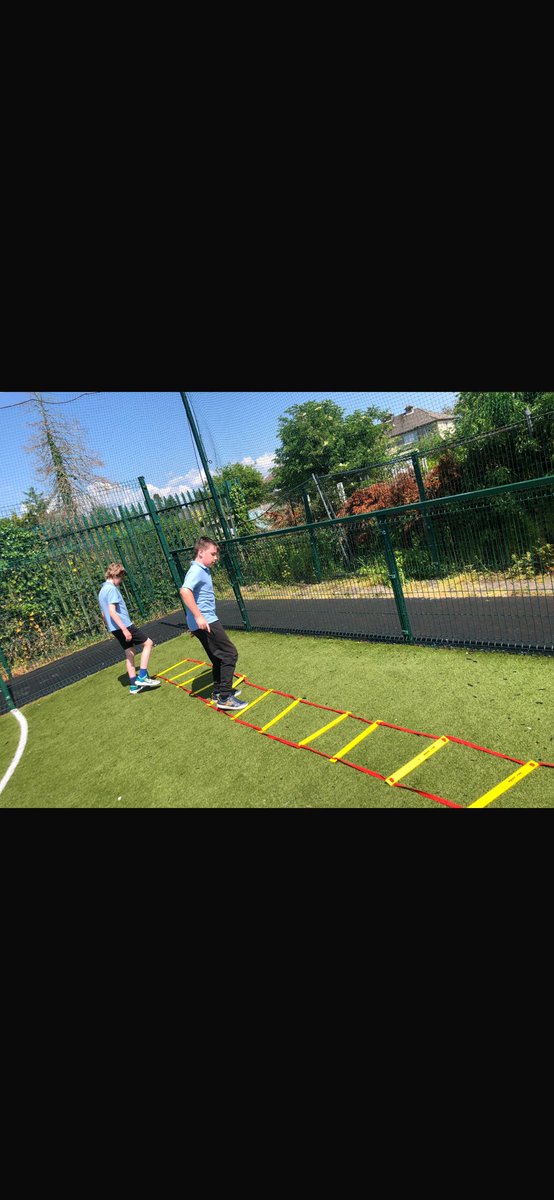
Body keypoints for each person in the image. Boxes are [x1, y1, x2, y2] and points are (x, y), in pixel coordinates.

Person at [179, 538, 248, 712]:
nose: (216, 557)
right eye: (213, 554)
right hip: (206, 620)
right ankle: (225, 698)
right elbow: (184, 591)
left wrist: (194, 622)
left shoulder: (203, 569)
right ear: (201, 553)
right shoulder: (196, 570)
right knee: (229, 654)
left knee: (218, 656)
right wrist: (199, 617)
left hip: (203, 621)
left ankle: (218, 691)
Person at [98, 563, 161, 696]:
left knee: (130, 652)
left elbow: (103, 614)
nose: (121, 582)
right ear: (116, 575)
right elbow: (111, 611)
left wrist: (112, 627)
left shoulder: (102, 591)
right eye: (121, 578)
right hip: (124, 625)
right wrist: (124, 630)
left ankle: (134, 686)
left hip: (114, 628)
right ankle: (143, 676)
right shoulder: (111, 589)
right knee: (148, 643)